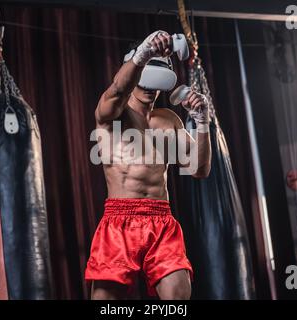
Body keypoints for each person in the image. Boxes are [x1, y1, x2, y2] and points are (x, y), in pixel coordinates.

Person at [85, 30, 212, 300]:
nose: (150, 88)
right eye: (144, 78)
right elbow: (118, 90)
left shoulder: (168, 119)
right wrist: (143, 53)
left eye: (156, 81)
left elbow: (200, 170)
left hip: (161, 220)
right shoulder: (113, 114)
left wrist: (202, 123)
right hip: (119, 220)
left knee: (177, 300)